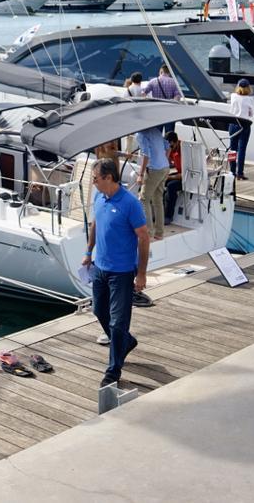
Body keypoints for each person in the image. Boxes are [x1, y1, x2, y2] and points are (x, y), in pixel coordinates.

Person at [82, 158, 150, 387]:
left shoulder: (130, 203)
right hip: (100, 268)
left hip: (121, 272)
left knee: (118, 322)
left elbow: (143, 237)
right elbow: (95, 225)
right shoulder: (99, 197)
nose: (93, 183)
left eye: (95, 179)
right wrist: (88, 252)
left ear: (108, 178)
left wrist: (141, 274)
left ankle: (114, 370)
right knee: (99, 310)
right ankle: (126, 342)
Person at [135, 126, 170, 239]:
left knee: (144, 199)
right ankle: (159, 233)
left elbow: (146, 155)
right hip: (165, 167)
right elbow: (168, 147)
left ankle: (148, 233)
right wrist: (163, 161)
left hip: (154, 169)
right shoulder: (156, 131)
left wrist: (140, 175)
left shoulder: (140, 134)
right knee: (158, 199)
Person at [228, 79, 254, 180]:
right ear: (248, 87)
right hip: (244, 124)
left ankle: (232, 171)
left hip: (233, 123)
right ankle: (240, 173)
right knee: (242, 149)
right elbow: (251, 114)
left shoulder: (233, 96)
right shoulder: (249, 99)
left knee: (232, 148)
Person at [162, 132, 183, 225]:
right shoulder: (172, 149)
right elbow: (165, 160)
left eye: (170, 146)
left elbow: (183, 175)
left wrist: (169, 177)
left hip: (188, 177)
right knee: (161, 182)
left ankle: (168, 216)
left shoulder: (184, 150)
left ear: (176, 142)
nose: (168, 148)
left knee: (171, 186)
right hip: (180, 173)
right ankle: (159, 212)